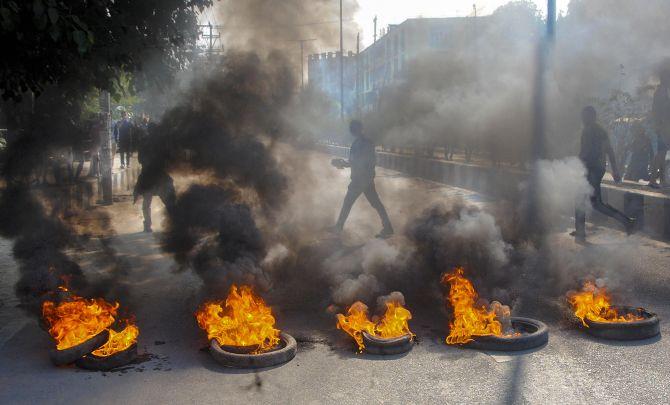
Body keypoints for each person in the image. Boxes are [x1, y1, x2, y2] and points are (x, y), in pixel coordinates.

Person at [573, 106, 636, 242]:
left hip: (594, 170)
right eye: (583, 116)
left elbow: (609, 150)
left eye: (586, 116)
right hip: (589, 169)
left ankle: (627, 222)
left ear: (593, 117)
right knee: (581, 198)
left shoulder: (598, 131)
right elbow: (584, 151)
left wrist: (615, 170)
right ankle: (579, 230)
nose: (583, 119)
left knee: (596, 203)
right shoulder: (587, 130)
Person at [332, 119, 394, 238]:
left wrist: (344, 164)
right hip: (364, 179)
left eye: (354, 129)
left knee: (348, 203)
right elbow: (355, 161)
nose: (353, 132)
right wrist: (342, 163)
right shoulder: (361, 143)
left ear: (358, 130)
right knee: (375, 203)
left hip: (360, 180)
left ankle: (338, 227)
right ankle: (388, 227)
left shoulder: (364, 143)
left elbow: (361, 161)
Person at [133, 123, 176, 233]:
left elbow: (140, 159)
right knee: (169, 201)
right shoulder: (162, 142)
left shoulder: (144, 142)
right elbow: (170, 158)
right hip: (160, 175)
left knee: (147, 202)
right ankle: (175, 223)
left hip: (148, 176)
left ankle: (147, 225)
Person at [649, 70, 670, 189]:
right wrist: (660, 125)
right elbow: (658, 111)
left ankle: (661, 180)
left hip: (663, 127)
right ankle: (654, 179)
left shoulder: (662, 92)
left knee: (662, 154)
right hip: (663, 127)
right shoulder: (661, 93)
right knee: (661, 153)